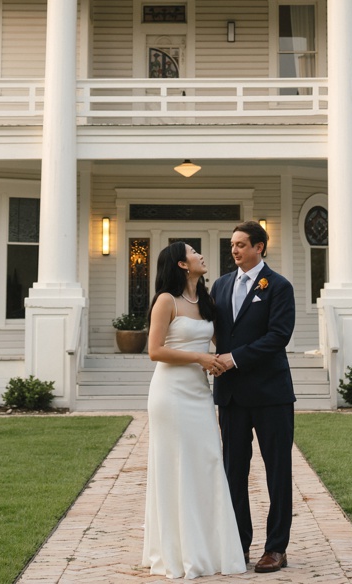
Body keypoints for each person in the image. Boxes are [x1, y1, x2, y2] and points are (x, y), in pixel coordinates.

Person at [142, 241, 247, 579]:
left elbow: (218, 345)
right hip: (170, 394)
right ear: (181, 265)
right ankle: (178, 552)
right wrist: (200, 358)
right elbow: (155, 351)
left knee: (207, 463)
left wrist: (219, 361)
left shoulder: (206, 302)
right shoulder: (165, 301)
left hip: (200, 394)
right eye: (193, 252)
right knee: (176, 468)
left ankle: (210, 549)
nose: (201, 255)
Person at [210, 220, 296, 574]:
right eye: (232, 244)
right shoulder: (220, 285)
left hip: (271, 394)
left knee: (277, 471)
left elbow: (278, 336)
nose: (234, 250)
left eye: (241, 244)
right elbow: (215, 330)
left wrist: (234, 358)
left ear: (260, 247)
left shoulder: (278, 286)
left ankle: (276, 548)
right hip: (231, 397)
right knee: (234, 472)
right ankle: (238, 543)